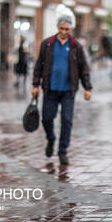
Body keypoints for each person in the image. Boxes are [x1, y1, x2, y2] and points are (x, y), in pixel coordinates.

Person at [31, 13, 92, 166]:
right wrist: (35, 85)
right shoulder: (48, 44)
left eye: (67, 29)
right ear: (57, 27)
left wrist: (87, 88)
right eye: (61, 28)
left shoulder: (76, 46)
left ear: (71, 29)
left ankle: (62, 151)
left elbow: (84, 68)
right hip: (50, 89)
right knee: (46, 118)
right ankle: (51, 139)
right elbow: (39, 65)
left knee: (67, 121)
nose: (64, 31)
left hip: (68, 91)